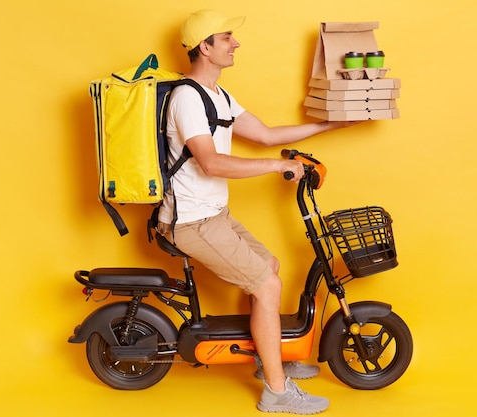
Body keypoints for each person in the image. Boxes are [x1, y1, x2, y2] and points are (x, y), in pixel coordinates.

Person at [157, 9, 357, 414]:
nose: (235, 44)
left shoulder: (218, 97)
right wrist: (275, 166)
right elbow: (211, 164)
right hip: (189, 222)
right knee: (266, 287)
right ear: (205, 47)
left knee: (270, 267)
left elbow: (265, 135)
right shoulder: (186, 99)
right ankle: (277, 393)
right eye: (227, 37)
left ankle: (270, 364)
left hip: (212, 214)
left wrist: (331, 125)